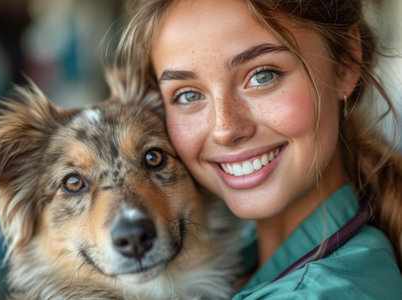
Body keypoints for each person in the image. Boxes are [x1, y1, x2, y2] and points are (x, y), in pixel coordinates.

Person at [112, 0, 402, 298]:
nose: (225, 130)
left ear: (345, 62)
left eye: (263, 76)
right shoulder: (241, 257)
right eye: (187, 95)